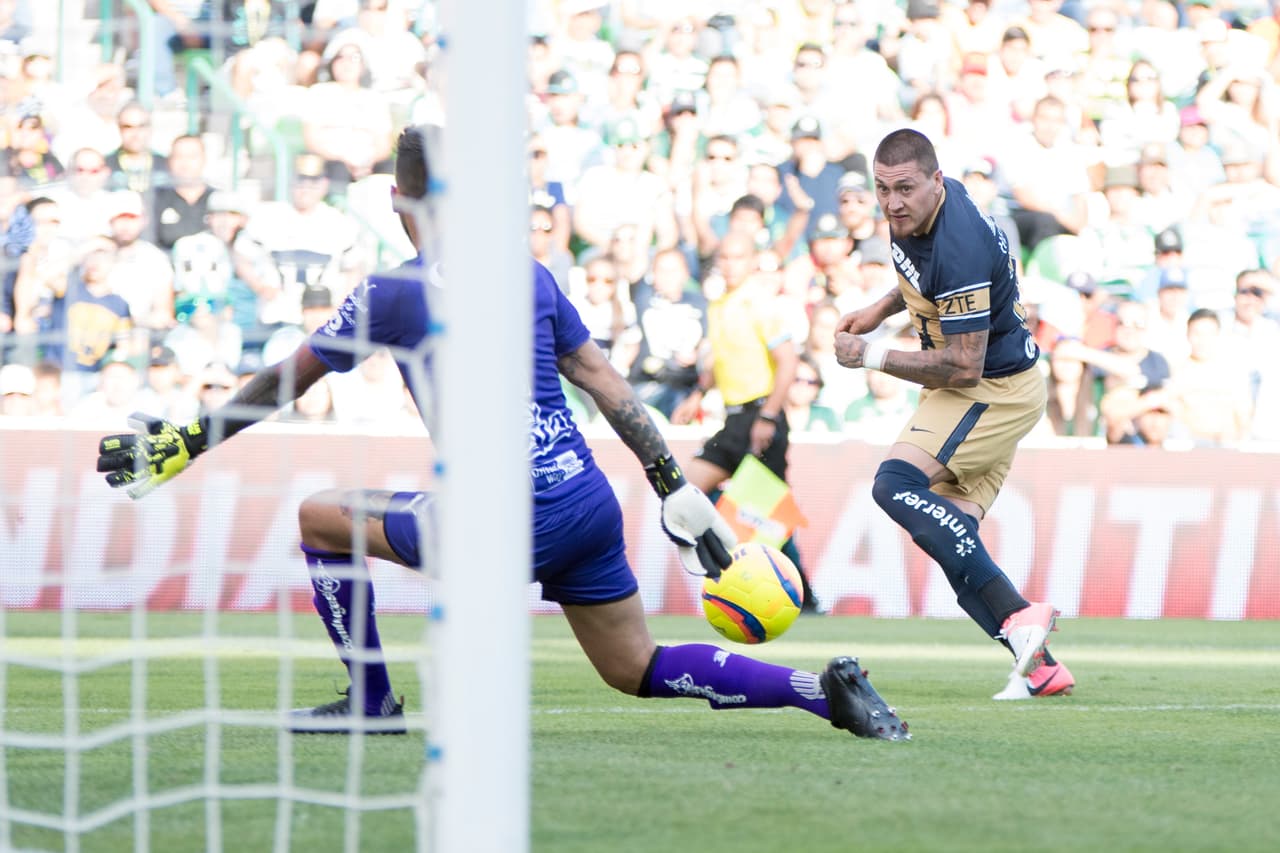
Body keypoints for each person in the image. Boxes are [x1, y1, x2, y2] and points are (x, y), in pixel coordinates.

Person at [96, 126, 907, 741]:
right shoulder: (531, 270)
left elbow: (286, 381)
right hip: (585, 499)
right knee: (635, 666)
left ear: (396, 199)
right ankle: (818, 690)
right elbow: (607, 384)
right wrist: (672, 488)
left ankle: (373, 700)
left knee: (320, 517)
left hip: (500, 520)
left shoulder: (393, 290)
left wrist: (186, 442)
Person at [833, 128, 1074, 701]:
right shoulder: (932, 205)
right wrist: (877, 308)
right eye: (882, 189)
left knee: (894, 486)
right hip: (985, 384)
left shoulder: (959, 244)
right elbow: (920, 276)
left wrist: (869, 355)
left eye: (905, 189)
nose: (892, 203)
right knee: (949, 533)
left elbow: (963, 367)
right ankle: (1038, 663)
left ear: (935, 182)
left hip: (989, 391)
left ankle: (1018, 615)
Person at [670, 231, 819, 614]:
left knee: (770, 512)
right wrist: (699, 393)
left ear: (752, 261)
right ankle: (723, 566)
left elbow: (787, 362)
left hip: (762, 415)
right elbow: (723, 361)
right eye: (725, 257)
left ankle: (803, 594)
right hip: (734, 418)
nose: (729, 264)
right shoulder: (720, 305)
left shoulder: (762, 305)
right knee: (688, 492)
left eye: (738, 257)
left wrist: (768, 415)